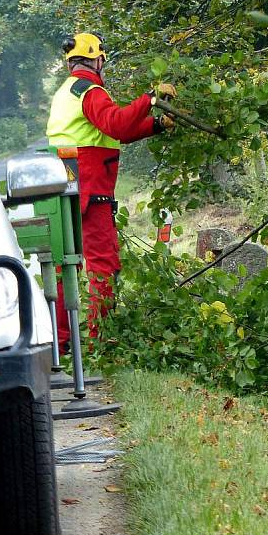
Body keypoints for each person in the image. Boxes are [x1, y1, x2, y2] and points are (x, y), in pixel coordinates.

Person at [46, 31, 176, 351]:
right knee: (103, 264)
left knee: (66, 265)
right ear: (98, 59)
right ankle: (98, 342)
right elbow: (116, 124)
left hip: (64, 188)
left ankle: (62, 343)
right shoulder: (91, 91)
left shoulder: (67, 92)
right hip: (90, 189)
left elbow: (111, 132)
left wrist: (155, 125)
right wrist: (150, 99)